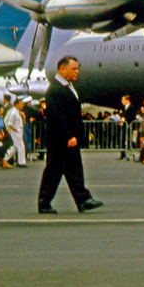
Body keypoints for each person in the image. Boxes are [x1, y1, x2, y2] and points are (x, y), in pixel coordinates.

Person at [37, 57, 103, 214]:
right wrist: (68, 136)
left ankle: (83, 200)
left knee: (75, 170)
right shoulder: (55, 90)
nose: (77, 71)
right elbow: (58, 116)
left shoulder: (67, 87)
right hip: (61, 139)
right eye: (74, 69)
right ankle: (44, 202)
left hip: (70, 138)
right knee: (54, 171)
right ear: (62, 69)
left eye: (77, 68)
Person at [3, 98, 27, 167]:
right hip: (16, 131)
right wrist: (16, 129)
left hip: (18, 131)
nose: (22, 105)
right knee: (21, 146)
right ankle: (21, 162)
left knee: (15, 148)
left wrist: (23, 117)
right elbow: (9, 123)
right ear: (17, 104)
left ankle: (4, 159)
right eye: (21, 104)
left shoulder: (18, 112)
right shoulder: (13, 113)